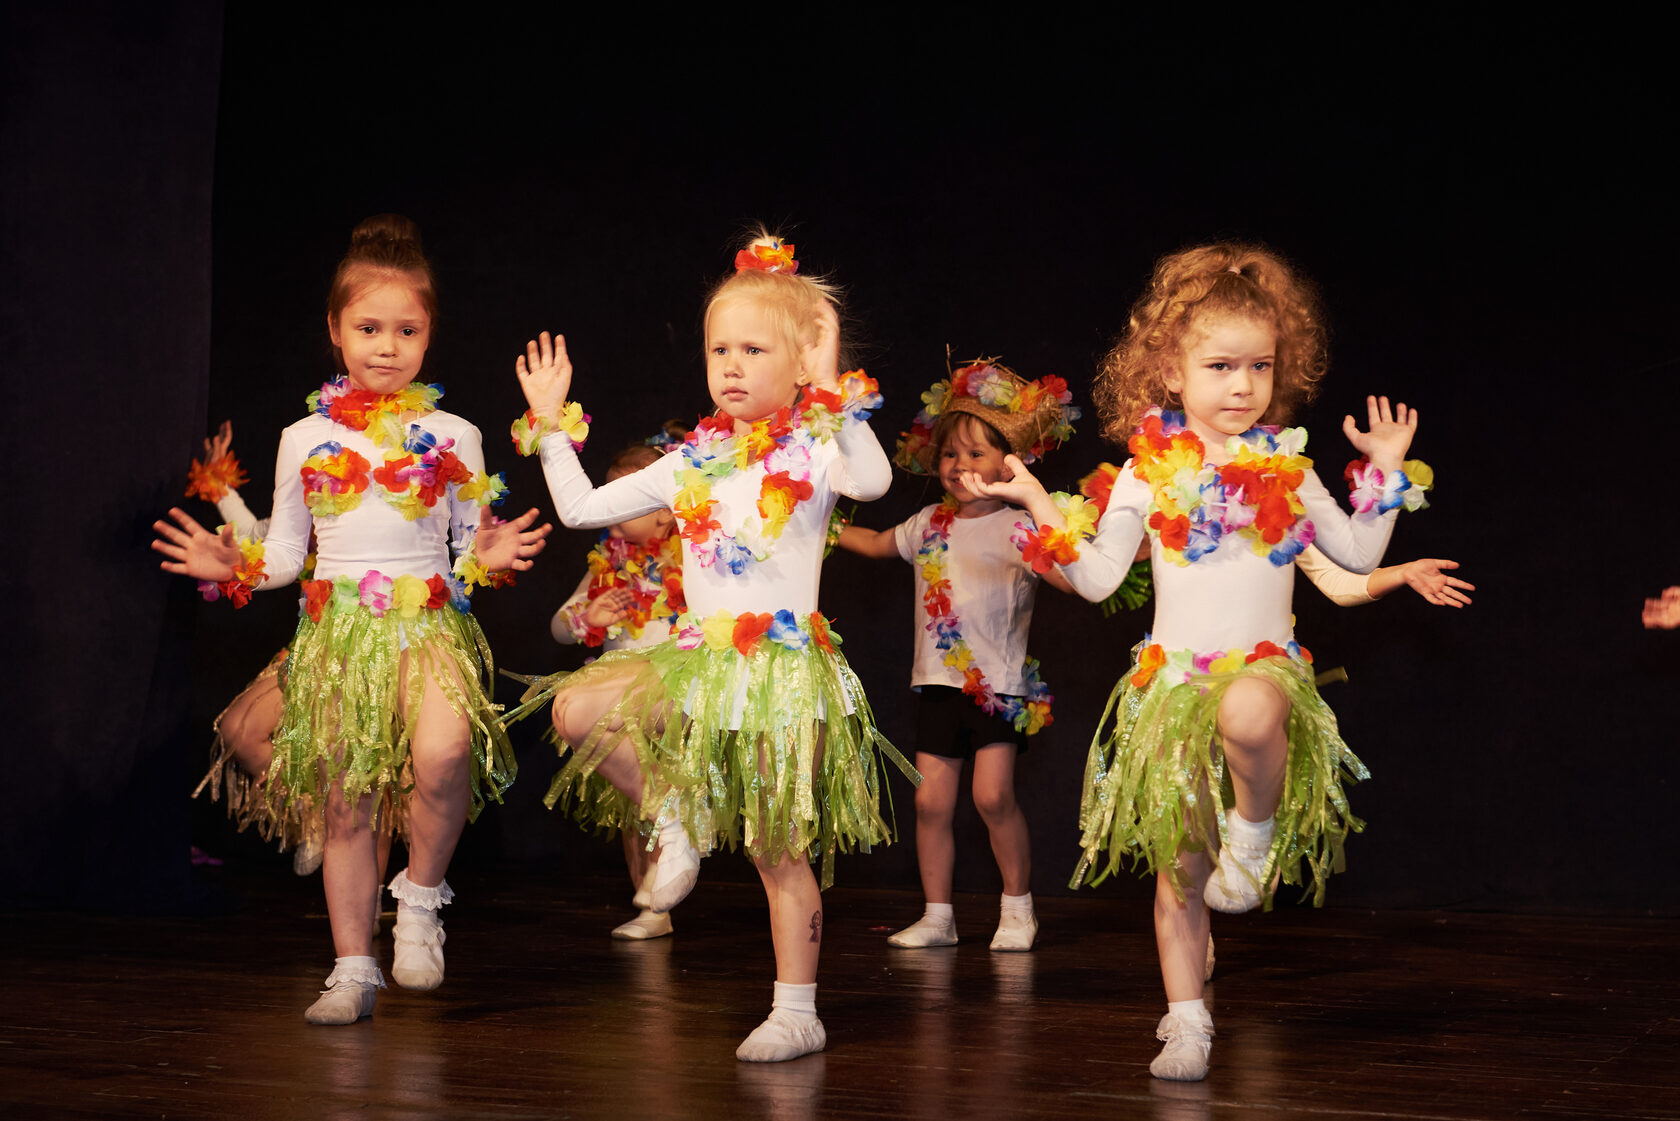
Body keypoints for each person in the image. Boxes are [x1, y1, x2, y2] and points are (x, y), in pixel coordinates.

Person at [967, 243, 1425, 1081]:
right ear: (1171, 373)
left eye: (1260, 366)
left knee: (1249, 712)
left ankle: (1254, 831)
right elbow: (1101, 575)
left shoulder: (1289, 466)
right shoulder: (1148, 474)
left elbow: (1354, 556)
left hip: (1261, 666)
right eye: (1220, 366)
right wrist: (1039, 505)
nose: (1243, 385)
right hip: (1172, 681)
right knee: (1180, 862)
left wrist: (1386, 474)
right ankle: (1185, 1018)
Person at [509, 232, 914, 1062]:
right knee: (579, 704)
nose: (730, 364)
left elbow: (872, 483)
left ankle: (797, 1007)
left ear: (798, 362)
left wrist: (833, 389)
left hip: (782, 664)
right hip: (698, 658)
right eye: (718, 348)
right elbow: (583, 508)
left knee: (777, 843)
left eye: (753, 349)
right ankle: (676, 810)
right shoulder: (690, 458)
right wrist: (552, 425)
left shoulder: (813, 447)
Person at [152, 215, 549, 1025]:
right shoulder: (305, 437)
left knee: (441, 753)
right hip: (341, 638)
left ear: (428, 336)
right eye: (368, 327)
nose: (386, 344)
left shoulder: (455, 435)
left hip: (428, 631)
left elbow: (470, 544)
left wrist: (492, 551)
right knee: (345, 802)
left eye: (406, 329)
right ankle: (351, 967)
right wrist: (239, 565)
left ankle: (424, 896)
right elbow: (291, 553)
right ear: (335, 331)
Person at [836, 358, 1078, 952]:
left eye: (976, 455)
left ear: (1007, 464)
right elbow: (870, 544)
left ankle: (1017, 911)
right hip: (937, 683)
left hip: (997, 685)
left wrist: (1099, 560)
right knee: (930, 801)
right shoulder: (928, 524)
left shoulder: (1021, 528)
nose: (960, 467)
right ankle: (938, 916)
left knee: (992, 797)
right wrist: (811, 522)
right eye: (951, 456)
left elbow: (1075, 583)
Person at [547, 428, 690, 940]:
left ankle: (669, 882)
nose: (610, 509)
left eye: (625, 499)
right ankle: (653, 909)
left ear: (664, 510)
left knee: (667, 795)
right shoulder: (606, 562)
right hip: (615, 697)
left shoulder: (694, 558)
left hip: (675, 691)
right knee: (635, 806)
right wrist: (590, 614)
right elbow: (560, 628)